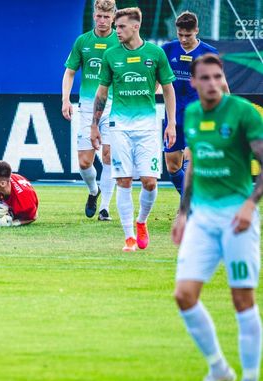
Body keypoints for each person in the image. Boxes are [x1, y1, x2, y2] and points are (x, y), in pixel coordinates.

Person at [172, 54, 263, 381]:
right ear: (193, 82)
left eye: (217, 77)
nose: (212, 84)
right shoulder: (193, 114)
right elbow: (194, 165)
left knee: (242, 299)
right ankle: (219, 369)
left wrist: (250, 204)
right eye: (205, 78)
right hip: (202, 218)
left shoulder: (243, 112)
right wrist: (183, 213)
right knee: (184, 295)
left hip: (237, 217)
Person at [91, 7, 177, 251]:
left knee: (150, 182)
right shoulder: (111, 55)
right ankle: (129, 237)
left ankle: (141, 222)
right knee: (124, 180)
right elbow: (102, 93)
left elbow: (168, 89)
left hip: (147, 127)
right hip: (119, 127)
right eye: (116, 27)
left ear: (136, 26)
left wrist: (171, 123)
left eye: (121, 26)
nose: (116, 31)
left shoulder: (155, 53)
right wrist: (94, 125)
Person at [161, 11, 229, 196]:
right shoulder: (167, 49)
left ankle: (189, 205)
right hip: (173, 116)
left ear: (197, 30)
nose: (183, 39)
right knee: (172, 166)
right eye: (180, 34)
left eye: (188, 35)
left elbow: (221, 84)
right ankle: (189, 199)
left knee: (190, 161)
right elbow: (159, 80)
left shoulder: (209, 52)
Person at [62, 0, 118, 221]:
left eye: (107, 17)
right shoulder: (83, 41)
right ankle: (94, 191)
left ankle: (105, 208)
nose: (102, 21)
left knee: (109, 155)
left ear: (113, 17)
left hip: (114, 107)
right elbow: (70, 72)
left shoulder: (120, 41)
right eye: (99, 16)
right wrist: (65, 99)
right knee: (85, 162)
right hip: (87, 108)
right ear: (94, 15)